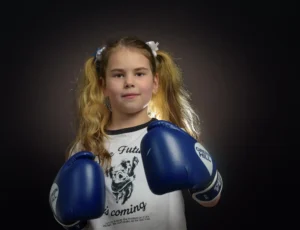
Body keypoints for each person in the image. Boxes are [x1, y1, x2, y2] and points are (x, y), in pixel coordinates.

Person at [49, 36, 223, 230]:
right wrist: (68, 215)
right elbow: (72, 222)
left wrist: (203, 176)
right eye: (118, 75)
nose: (129, 82)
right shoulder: (86, 147)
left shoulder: (172, 137)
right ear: (103, 85)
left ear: (155, 82)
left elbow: (210, 199)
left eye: (139, 74)